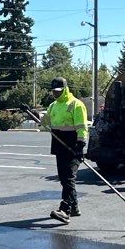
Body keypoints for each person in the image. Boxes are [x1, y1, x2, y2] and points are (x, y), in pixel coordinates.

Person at [41, 76, 88, 222]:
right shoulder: (53, 106)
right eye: (54, 91)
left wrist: (80, 145)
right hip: (59, 146)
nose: (55, 93)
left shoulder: (76, 105)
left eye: (58, 91)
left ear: (65, 89)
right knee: (64, 179)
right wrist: (32, 113)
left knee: (68, 179)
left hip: (73, 146)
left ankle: (65, 210)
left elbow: (82, 127)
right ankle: (74, 207)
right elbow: (46, 122)